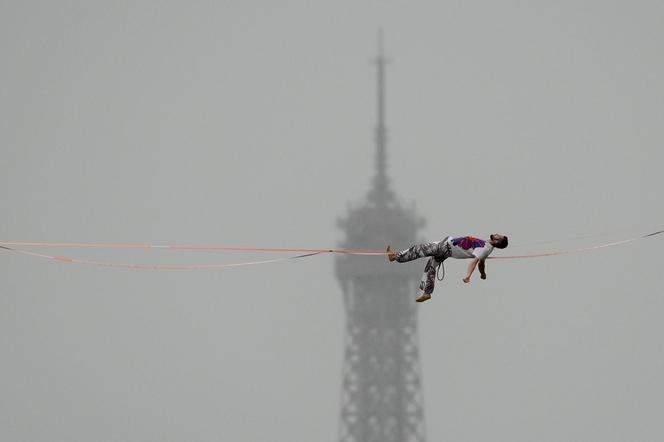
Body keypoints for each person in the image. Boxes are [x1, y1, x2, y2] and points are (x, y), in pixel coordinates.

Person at [386, 234, 508, 302]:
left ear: (497, 242)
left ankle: (396, 256)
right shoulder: (487, 246)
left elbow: (475, 262)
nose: (497, 234)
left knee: (419, 249)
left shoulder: (485, 249)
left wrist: (468, 276)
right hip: (446, 246)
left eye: (499, 236)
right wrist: (483, 274)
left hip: (445, 248)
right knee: (431, 267)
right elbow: (482, 263)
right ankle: (427, 293)